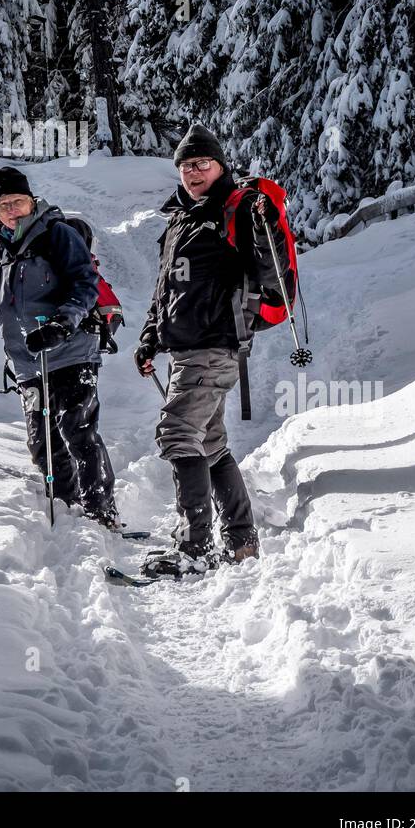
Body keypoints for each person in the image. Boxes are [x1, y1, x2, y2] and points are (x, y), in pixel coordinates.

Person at [0, 166, 121, 528]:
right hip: (29, 364)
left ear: (32, 202)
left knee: (77, 430)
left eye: (18, 202)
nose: (12, 210)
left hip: (72, 352)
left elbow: (84, 283)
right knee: (42, 443)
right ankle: (65, 508)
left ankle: (100, 512)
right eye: (3, 205)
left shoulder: (56, 234)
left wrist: (63, 324)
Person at [134, 123, 289, 572]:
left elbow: (268, 266)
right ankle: (241, 540)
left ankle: (194, 548)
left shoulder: (235, 209)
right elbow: (166, 290)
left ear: (220, 165)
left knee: (178, 433)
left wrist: (264, 226)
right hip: (187, 349)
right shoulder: (182, 219)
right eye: (185, 166)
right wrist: (149, 338)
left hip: (214, 344)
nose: (194, 171)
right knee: (209, 444)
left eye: (202, 163)